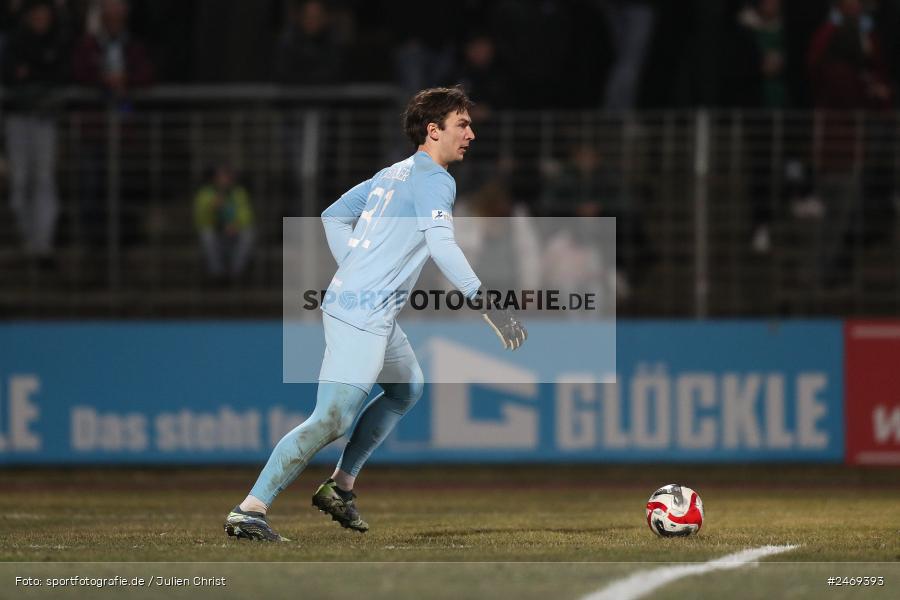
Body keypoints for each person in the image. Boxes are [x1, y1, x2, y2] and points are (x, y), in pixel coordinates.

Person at [223, 86, 526, 541]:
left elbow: (330, 216)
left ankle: (340, 487)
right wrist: (488, 305)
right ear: (433, 129)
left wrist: (356, 266)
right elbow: (442, 244)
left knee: (407, 388)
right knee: (332, 419)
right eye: (462, 124)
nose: (471, 134)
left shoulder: (393, 174)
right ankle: (249, 510)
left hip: (365, 306)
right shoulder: (436, 180)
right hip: (360, 312)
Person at [2, 0, 66, 264]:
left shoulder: (56, 40)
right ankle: (26, 237)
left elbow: (56, 74)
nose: (41, 18)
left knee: (43, 178)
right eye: (35, 13)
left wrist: (34, 74)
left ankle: (42, 242)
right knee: (21, 179)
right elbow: (11, 75)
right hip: (18, 118)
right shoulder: (15, 41)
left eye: (44, 13)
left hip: (44, 118)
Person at [194, 165, 255, 282]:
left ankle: (236, 273)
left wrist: (235, 224)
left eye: (227, 176)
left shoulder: (238, 193)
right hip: (215, 233)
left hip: (234, 233)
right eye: (221, 176)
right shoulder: (205, 194)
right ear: (214, 178)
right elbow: (200, 219)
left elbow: (247, 215)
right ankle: (217, 274)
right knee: (207, 235)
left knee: (249, 233)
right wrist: (212, 207)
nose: (224, 180)